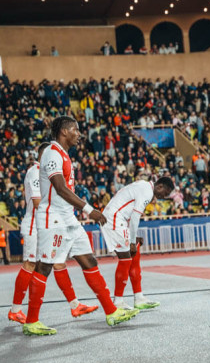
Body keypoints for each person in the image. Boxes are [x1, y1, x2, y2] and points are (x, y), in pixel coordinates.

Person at [23, 116, 139, 336]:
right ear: (64, 131)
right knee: (44, 267)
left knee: (89, 260)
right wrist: (89, 210)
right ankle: (31, 321)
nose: (78, 133)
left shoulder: (64, 155)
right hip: (52, 219)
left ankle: (111, 311)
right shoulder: (52, 153)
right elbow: (59, 188)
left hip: (68, 219)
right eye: (75, 130)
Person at [9, 142, 98, 324]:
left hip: (48, 223)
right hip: (36, 225)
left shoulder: (44, 172)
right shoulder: (35, 172)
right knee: (31, 264)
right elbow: (36, 201)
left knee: (58, 264)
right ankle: (15, 310)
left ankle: (75, 305)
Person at [101, 177, 174, 311]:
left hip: (117, 219)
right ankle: (118, 302)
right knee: (126, 258)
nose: (164, 197)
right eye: (166, 193)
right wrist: (132, 241)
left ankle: (139, 297)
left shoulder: (144, 186)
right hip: (114, 219)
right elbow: (135, 217)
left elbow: (129, 213)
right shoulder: (147, 192)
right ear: (160, 186)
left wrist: (134, 238)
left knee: (135, 255)